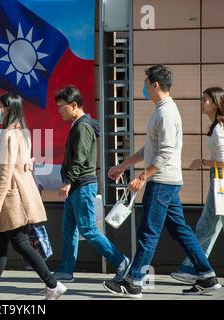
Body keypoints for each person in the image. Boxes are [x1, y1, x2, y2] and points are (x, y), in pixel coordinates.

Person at [104, 64, 221, 298]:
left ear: (155, 85)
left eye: (146, 83)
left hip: (161, 182)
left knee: (148, 231)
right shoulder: (162, 111)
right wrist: (124, 165)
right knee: (180, 230)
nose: (144, 87)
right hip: (166, 181)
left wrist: (143, 177)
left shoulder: (166, 113)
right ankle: (207, 276)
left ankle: (133, 281)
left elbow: (165, 152)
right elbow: (150, 148)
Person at [0, 92, 67, 300]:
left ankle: (52, 284)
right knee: (0, 244)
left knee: (19, 242)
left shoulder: (8, 136)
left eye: (0, 106)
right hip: (18, 195)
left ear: (9, 109)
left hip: (12, 199)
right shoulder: (23, 133)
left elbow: (5, 173)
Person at [52, 86, 129, 283]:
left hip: (82, 185)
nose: (59, 110)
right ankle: (66, 270)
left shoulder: (83, 126)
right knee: (69, 229)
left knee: (88, 228)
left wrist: (68, 181)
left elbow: (80, 157)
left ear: (74, 105)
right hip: (77, 186)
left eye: (62, 107)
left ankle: (121, 262)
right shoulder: (79, 124)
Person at [171, 87, 224, 284]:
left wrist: (201, 162)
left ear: (216, 103)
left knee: (205, 226)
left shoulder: (219, 129)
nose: (202, 103)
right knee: (211, 226)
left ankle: (193, 268)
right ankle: (198, 269)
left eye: (205, 100)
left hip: (221, 180)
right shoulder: (217, 126)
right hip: (219, 179)